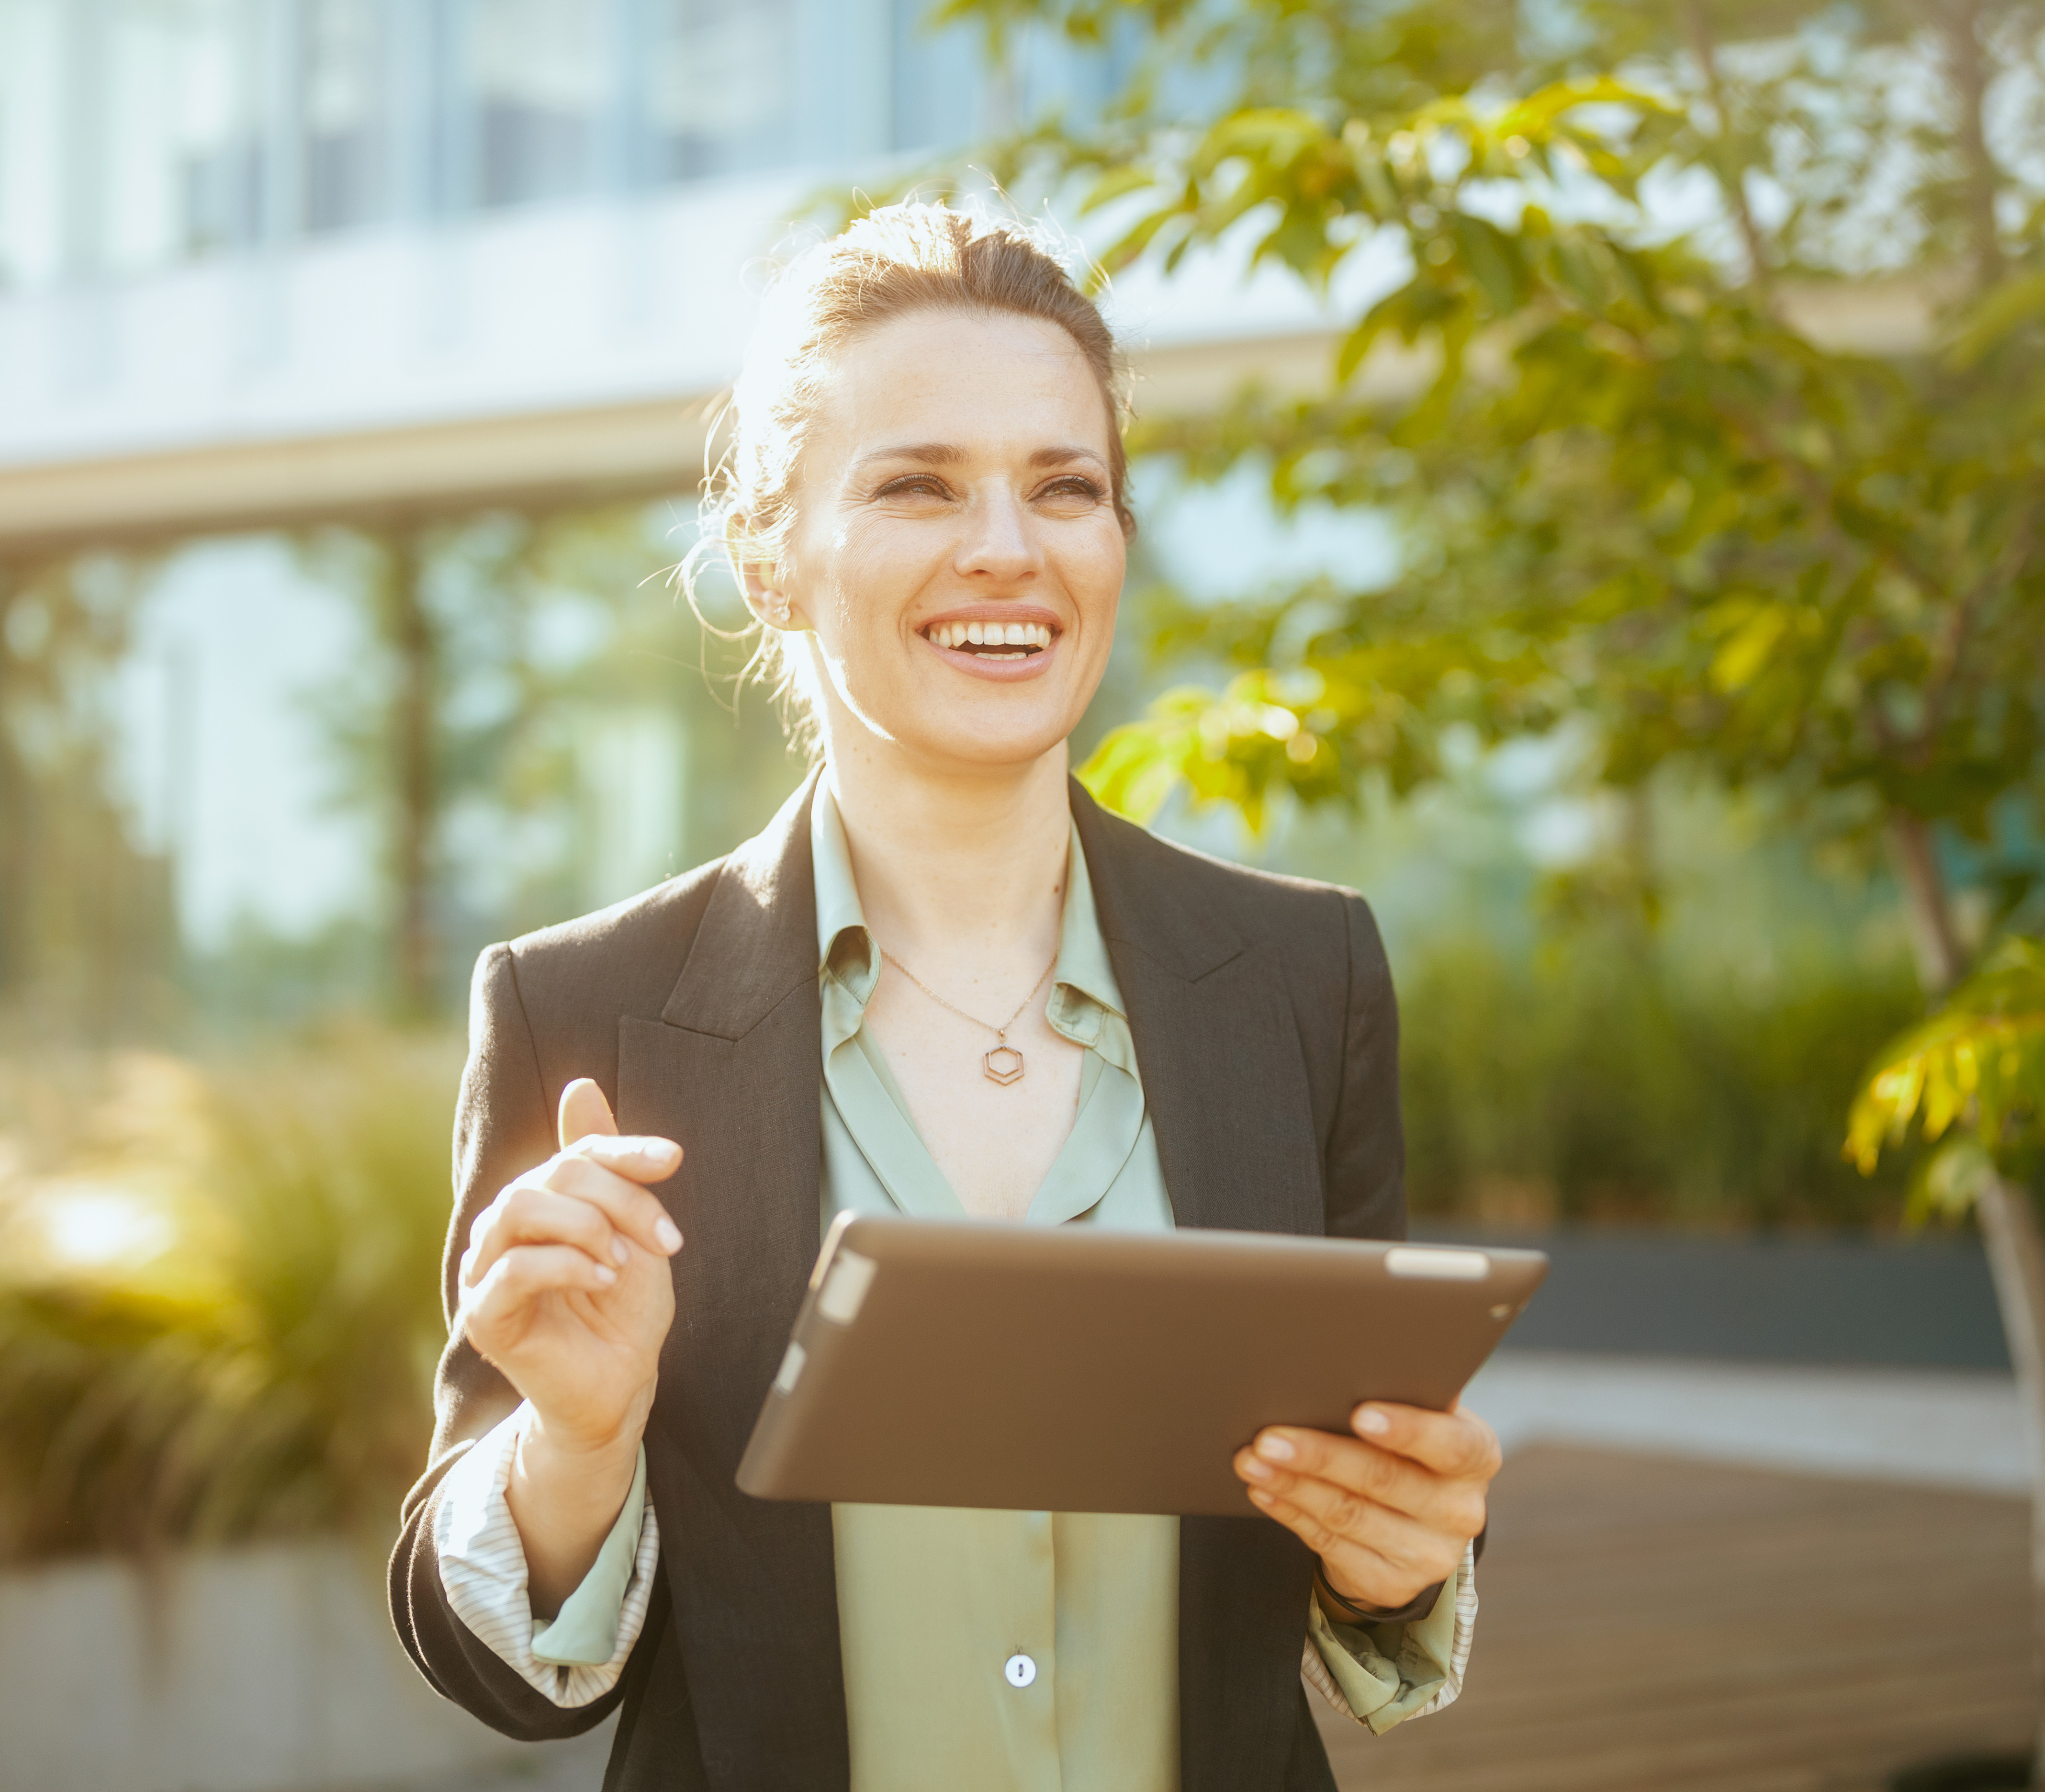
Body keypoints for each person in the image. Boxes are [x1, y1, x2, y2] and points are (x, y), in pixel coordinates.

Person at [387, 205, 1501, 1792]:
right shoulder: (586, 1015)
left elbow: (1359, 1569)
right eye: (918, 485)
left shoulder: (1304, 978)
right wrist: (577, 1441)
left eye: (1067, 487)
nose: (1009, 548)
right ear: (772, 556)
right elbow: (499, 1666)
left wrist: (1401, 1551)